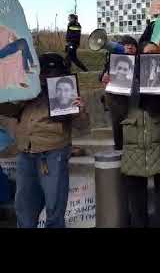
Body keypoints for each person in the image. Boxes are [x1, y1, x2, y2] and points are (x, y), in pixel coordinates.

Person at [0, 53, 89, 228]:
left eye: (51, 72)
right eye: (44, 72)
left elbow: (83, 125)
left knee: (54, 208)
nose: (46, 77)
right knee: (24, 208)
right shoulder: (28, 91)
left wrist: (80, 109)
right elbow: (7, 110)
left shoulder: (64, 89)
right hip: (26, 153)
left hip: (52, 154)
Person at [120, 43, 160, 228]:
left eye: (154, 53)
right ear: (139, 56)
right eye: (146, 53)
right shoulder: (127, 78)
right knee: (136, 198)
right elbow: (117, 111)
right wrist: (111, 90)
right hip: (134, 145)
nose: (149, 56)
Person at [100, 36, 138, 152]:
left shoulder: (141, 60)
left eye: (133, 45)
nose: (130, 47)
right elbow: (102, 77)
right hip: (117, 101)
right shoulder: (113, 61)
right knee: (118, 126)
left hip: (135, 100)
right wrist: (105, 76)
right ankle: (119, 149)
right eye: (127, 45)